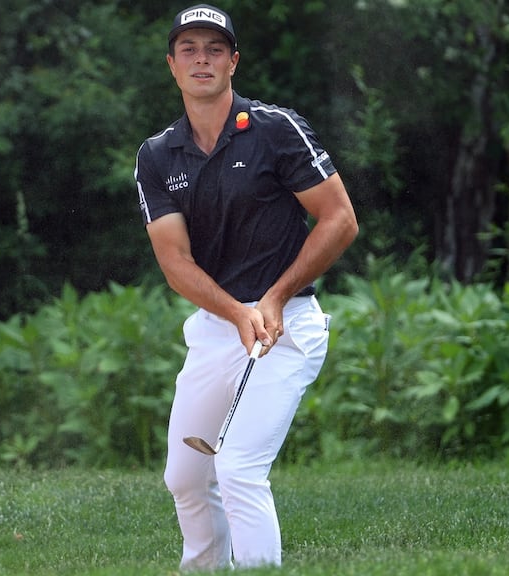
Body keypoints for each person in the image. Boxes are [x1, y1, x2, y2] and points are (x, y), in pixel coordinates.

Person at [133, 4, 358, 570]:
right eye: (189, 49)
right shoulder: (158, 156)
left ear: (234, 61)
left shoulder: (275, 130)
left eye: (214, 49)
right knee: (184, 475)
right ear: (171, 65)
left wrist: (275, 298)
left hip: (289, 325)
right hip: (218, 328)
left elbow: (339, 220)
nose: (201, 58)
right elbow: (176, 261)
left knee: (236, 468)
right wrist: (236, 313)